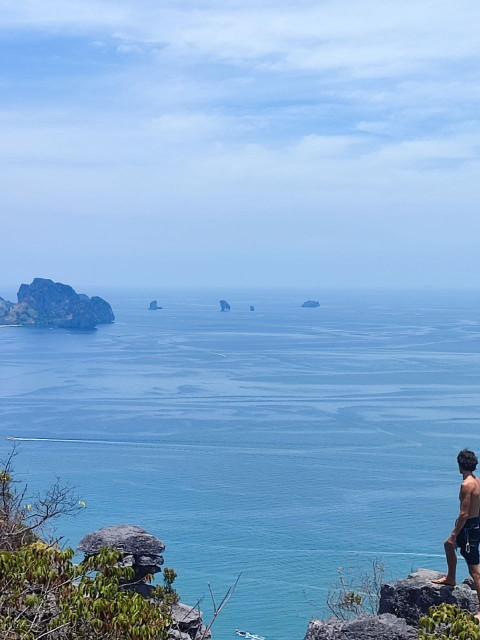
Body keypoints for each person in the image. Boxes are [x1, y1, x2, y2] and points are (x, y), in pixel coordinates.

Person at [433, 449, 480, 619]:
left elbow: (464, 514)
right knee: (448, 546)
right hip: (473, 525)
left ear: (460, 465)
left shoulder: (467, 484)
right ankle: (451, 577)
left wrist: (454, 533)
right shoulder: (477, 481)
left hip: (467, 528)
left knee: (475, 571)